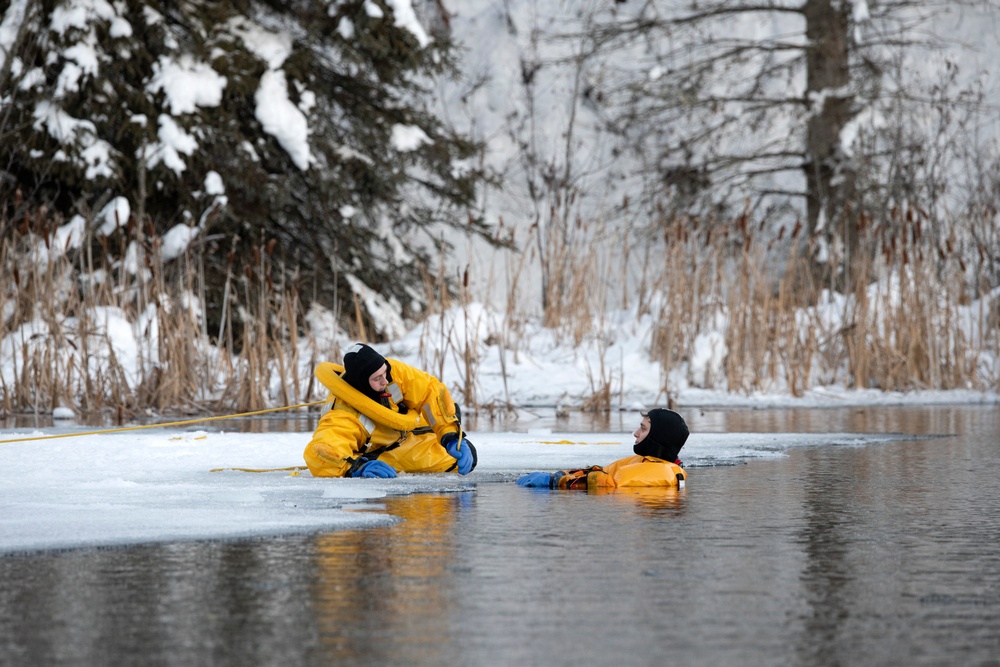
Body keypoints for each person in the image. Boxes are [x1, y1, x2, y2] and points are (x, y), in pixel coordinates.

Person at [304, 343, 477, 478]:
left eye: (384, 373)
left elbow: (428, 392)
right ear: (362, 382)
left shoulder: (391, 373)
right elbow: (319, 451)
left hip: (407, 434)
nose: (385, 381)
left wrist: (450, 435)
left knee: (463, 453)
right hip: (381, 452)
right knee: (451, 462)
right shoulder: (343, 413)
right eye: (377, 378)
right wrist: (354, 467)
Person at [516, 408, 689, 490]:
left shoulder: (656, 471)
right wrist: (563, 474)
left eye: (643, 429)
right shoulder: (645, 462)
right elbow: (604, 472)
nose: (635, 434)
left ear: (658, 439)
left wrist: (553, 483)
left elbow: (603, 483)